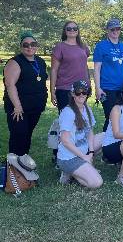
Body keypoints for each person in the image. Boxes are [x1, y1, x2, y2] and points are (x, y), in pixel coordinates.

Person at [50, 21, 90, 163]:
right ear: (65, 31)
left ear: (78, 30)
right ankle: (58, 154)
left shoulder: (83, 47)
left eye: (75, 28)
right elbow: (54, 69)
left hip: (81, 90)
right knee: (65, 123)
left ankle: (78, 151)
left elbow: (84, 66)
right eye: (69, 28)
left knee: (80, 121)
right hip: (65, 90)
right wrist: (52, 90)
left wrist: (89, 84)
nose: (72, 30)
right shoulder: (59, 47)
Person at [3, 31, 48, 156]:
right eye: (25, 45)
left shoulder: (40, 61)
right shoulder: (15, 62)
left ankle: (23, 165)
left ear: (37, 46)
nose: (30, 47)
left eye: (33, 44)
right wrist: (17, 106)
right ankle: (13, 168)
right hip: (19, 109)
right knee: (19, 137)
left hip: (35, 107)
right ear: (21, 47)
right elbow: (10, 85)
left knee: (27, 135)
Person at [57, 80, 103, 188]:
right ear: (73, 93)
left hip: (83, 151)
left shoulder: (87, 108)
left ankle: (83, 168)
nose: (81, 95)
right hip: (69, 158)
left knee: (105, 137)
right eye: (78, 92)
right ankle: (70, 172)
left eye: (84, 92)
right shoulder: (68, 112)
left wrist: (91, 152)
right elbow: (65, 141)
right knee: (97, 182)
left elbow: (90, 132)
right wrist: (85, 157)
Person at [93, 18, 123, 132]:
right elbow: (97, 68)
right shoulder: (101, 46)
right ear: (107, 31)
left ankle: (117, 142)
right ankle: (105, 143)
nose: (115, 31)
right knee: (111, 117)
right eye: (112, 29)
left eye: (117, 28)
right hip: (108, 89)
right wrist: (98, 88)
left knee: (122, 116)